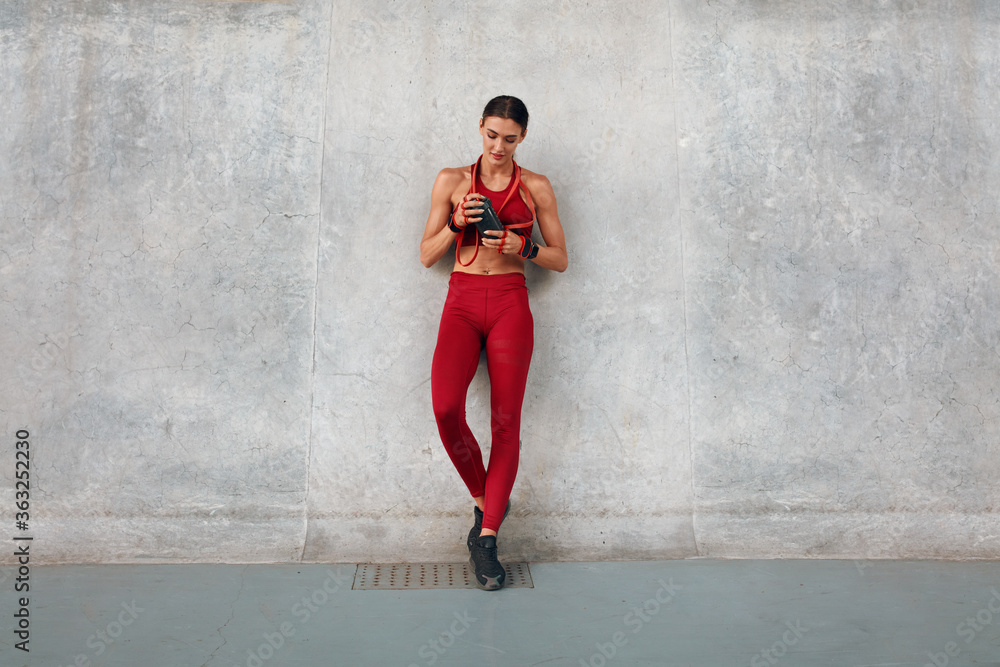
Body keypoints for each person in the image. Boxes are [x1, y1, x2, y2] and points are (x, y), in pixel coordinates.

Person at [420, 95, 568, 590]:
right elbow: (426, 254)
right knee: (445, 408)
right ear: (480, 127)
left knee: (506, 423)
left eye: (509, 138)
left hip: (509, 303)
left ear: (522, 136)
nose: (498, 146)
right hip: (461, 300)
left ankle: (486, 540)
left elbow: (560, 259)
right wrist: (457, 223)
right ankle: (487, 498)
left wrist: (521, 246)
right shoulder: (451, 181)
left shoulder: (538, 187)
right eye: (492, 135)